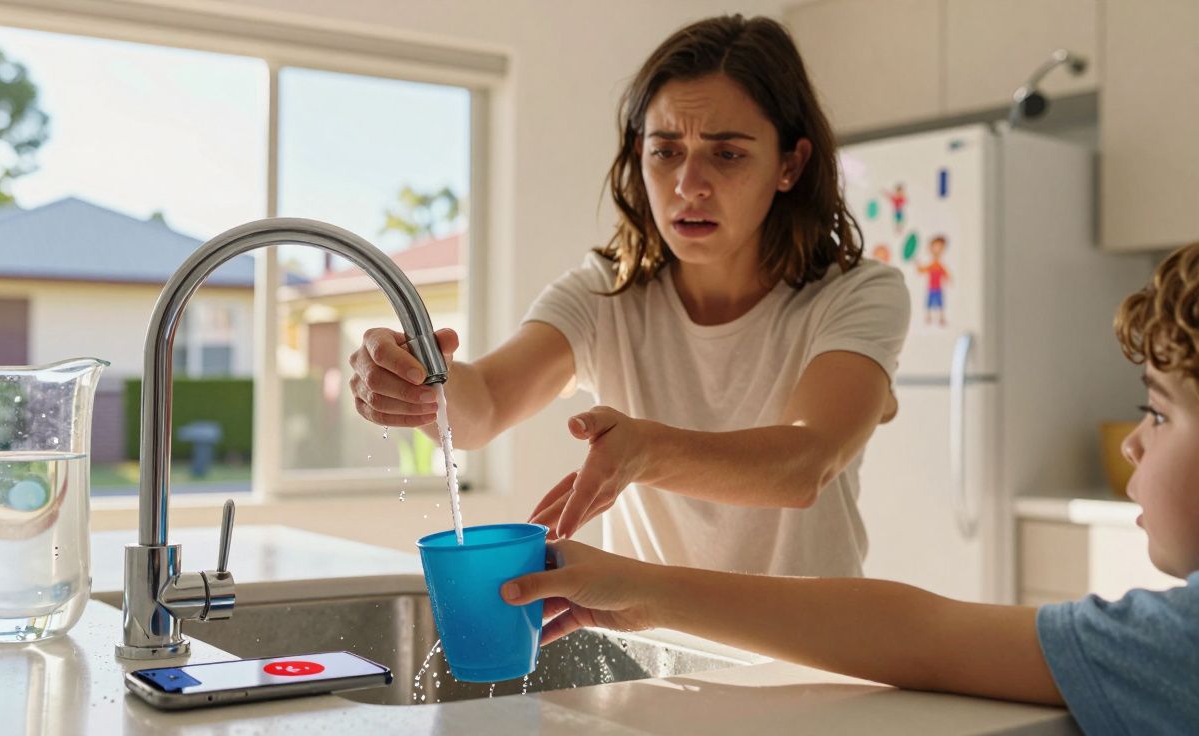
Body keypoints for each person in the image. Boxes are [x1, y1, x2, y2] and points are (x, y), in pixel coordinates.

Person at [500, 242, 1199, 734]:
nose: (1134, 442)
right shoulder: (1172, 638)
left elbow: (926, 636)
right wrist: (640, 589)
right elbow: (922, 634)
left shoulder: (1178, 646)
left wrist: (643, 573)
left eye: (1160, 412)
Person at [347, 15, 910, 577]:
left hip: (815, 632)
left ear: (790, 164)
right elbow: (486, 404)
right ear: (640, 154)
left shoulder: (858, 295)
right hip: (650, 629)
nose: (689, 185)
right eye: (666, 151)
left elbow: (805, 463)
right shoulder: (604, 293)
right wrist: (419, 383)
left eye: (727, 154)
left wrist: (646, 451)